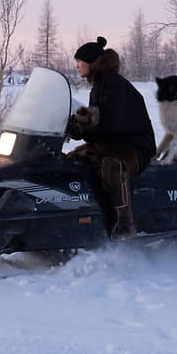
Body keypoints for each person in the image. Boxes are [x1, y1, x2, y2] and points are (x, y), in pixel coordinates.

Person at [67, 36, 156, 239]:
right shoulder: (100, 84)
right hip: (113, 143)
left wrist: (84, 127)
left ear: (90, 63)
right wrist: (75, 124)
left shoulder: (114, 84)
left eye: (79, 61)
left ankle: (123, 224)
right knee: (72, 161)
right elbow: (98, 119)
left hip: (134, 146)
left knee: (111, 166)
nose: (77, 66)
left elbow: (110, 122)